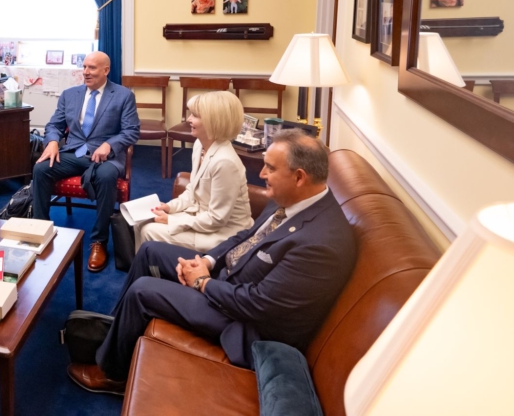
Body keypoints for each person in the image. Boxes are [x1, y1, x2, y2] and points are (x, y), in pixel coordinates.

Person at [67, 131, 357, 393]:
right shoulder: (289, 199)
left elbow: (257, 305)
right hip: (229, 281)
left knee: (143, 290)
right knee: (150, 251)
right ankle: (118, 331)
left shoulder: (320, 243)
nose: (263, 173)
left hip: (245, 324)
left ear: (299, 177)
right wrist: (207, 261)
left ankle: (113, 374)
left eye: (270, 168)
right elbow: (246, 235)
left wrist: (203, 283)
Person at [31, 52, 139, 272]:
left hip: (104, 156)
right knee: (41, 168)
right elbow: (54, 125)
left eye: (92, 68)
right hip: (74, 152)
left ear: (106, 70)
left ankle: (99, 242)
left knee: (106, 176)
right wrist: (51, 141)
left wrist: (110, 145)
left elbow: (131, 131)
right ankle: (39, 231)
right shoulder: (69, 94)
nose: (86, 72)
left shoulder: (123, 95)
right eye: (84, 67)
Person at [139, 92, 252, 250]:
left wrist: (171, 220)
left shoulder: (225, 162)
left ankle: (149, 272)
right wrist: (170, 207)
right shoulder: (200, 145)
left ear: (214, 121)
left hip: (224, 233)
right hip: (201, 218)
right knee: (143, 220)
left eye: (195, 115)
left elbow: (217, 219)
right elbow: (193, 189)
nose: (189, 120)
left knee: (149, 231)